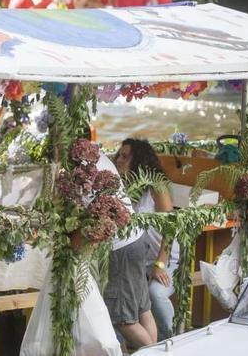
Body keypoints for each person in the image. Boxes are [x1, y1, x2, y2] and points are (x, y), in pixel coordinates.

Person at [115, 138, 177, 342]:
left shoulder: (156, 186)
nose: (119, 160)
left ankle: (171, 339)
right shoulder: (122, 187)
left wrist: (160, 264)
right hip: (136, 261)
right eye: (119, 155)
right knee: (121, 295)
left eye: (125, 157)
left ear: (139, 160)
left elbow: (171, 227)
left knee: (155, 294)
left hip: (165, 257)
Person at [104, 145, 158, 351]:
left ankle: (154, 354)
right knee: (143, 309)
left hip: (120, 248)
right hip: (136, 240)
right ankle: (155, 351)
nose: (119, 159)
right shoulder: (104, 162)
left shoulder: (84, 167)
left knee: (124, 318)